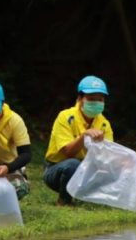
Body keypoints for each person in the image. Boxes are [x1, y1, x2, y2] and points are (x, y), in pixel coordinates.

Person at [43, 75, 115, 205]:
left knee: (114, 168)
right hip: (58, 169)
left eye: (100, 99)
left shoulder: (104, 123)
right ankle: (64, 201)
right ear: (80, 99)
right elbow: (68, 153)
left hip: (87, 168)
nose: (96, 103)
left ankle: (93, 198)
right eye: (91, 99)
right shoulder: (65, 117)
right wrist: (84, 136)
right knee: (72, 164)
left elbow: (107, 157)